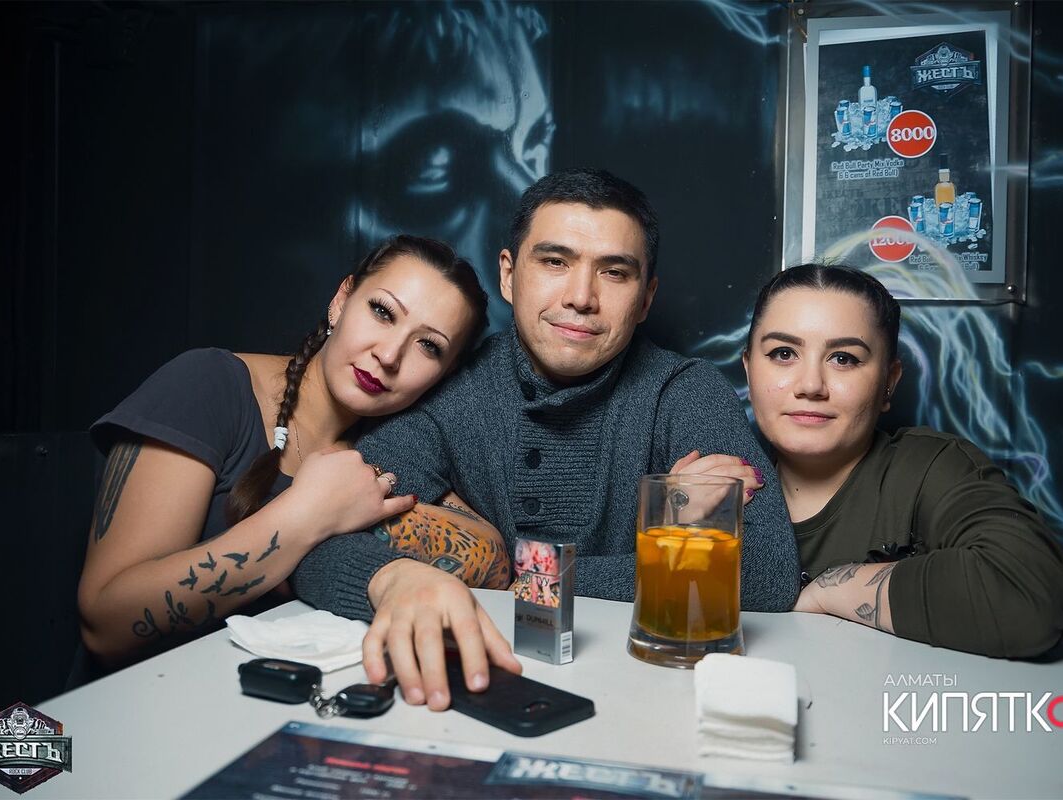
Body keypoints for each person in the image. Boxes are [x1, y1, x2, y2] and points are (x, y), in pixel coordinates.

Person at [294, 168, 800, 709]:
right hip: (475, 688)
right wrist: (393, 579)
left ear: (646, 299)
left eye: (614, 272)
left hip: (648, 694)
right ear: (509, 275)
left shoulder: (684, 393)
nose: (581, 297)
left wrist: (520, 576)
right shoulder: (447, 387)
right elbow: (319, 544)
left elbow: (769, 573)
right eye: (555, 262)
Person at [77, 235, 501, 669]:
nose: (389, 355)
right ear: (341, 300)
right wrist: (306, 516)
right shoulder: (208, 385)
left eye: (429, 346)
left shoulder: (390, 451)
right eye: (382, 311)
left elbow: (493, 556)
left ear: (443, 376)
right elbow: (105, 625)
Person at [741, 263, 1063, 657]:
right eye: (783, 353)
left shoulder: (931, 468)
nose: (811, 385)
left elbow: (1030, 597)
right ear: (749, 369)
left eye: (844, 359)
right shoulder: (715, 480)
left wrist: (829, 590)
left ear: (889, 381)